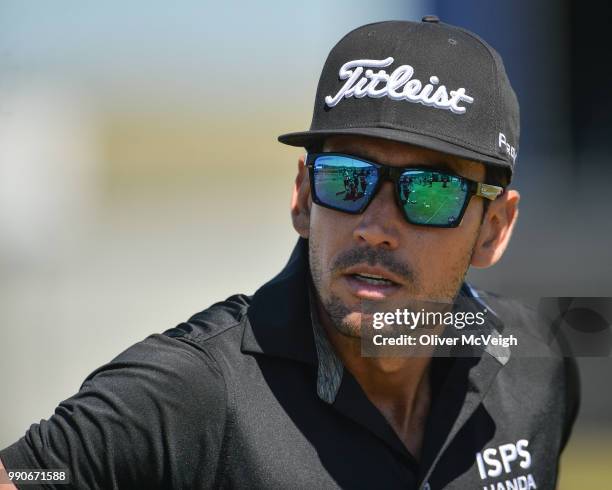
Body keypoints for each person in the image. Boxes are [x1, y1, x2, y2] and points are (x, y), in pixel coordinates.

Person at [0, 17, 579, 490]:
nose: (376, 228)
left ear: (493, 228)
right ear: (304, 198)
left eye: (428, 193)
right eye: (347, 180)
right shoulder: (194, 389)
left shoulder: (536, 363)